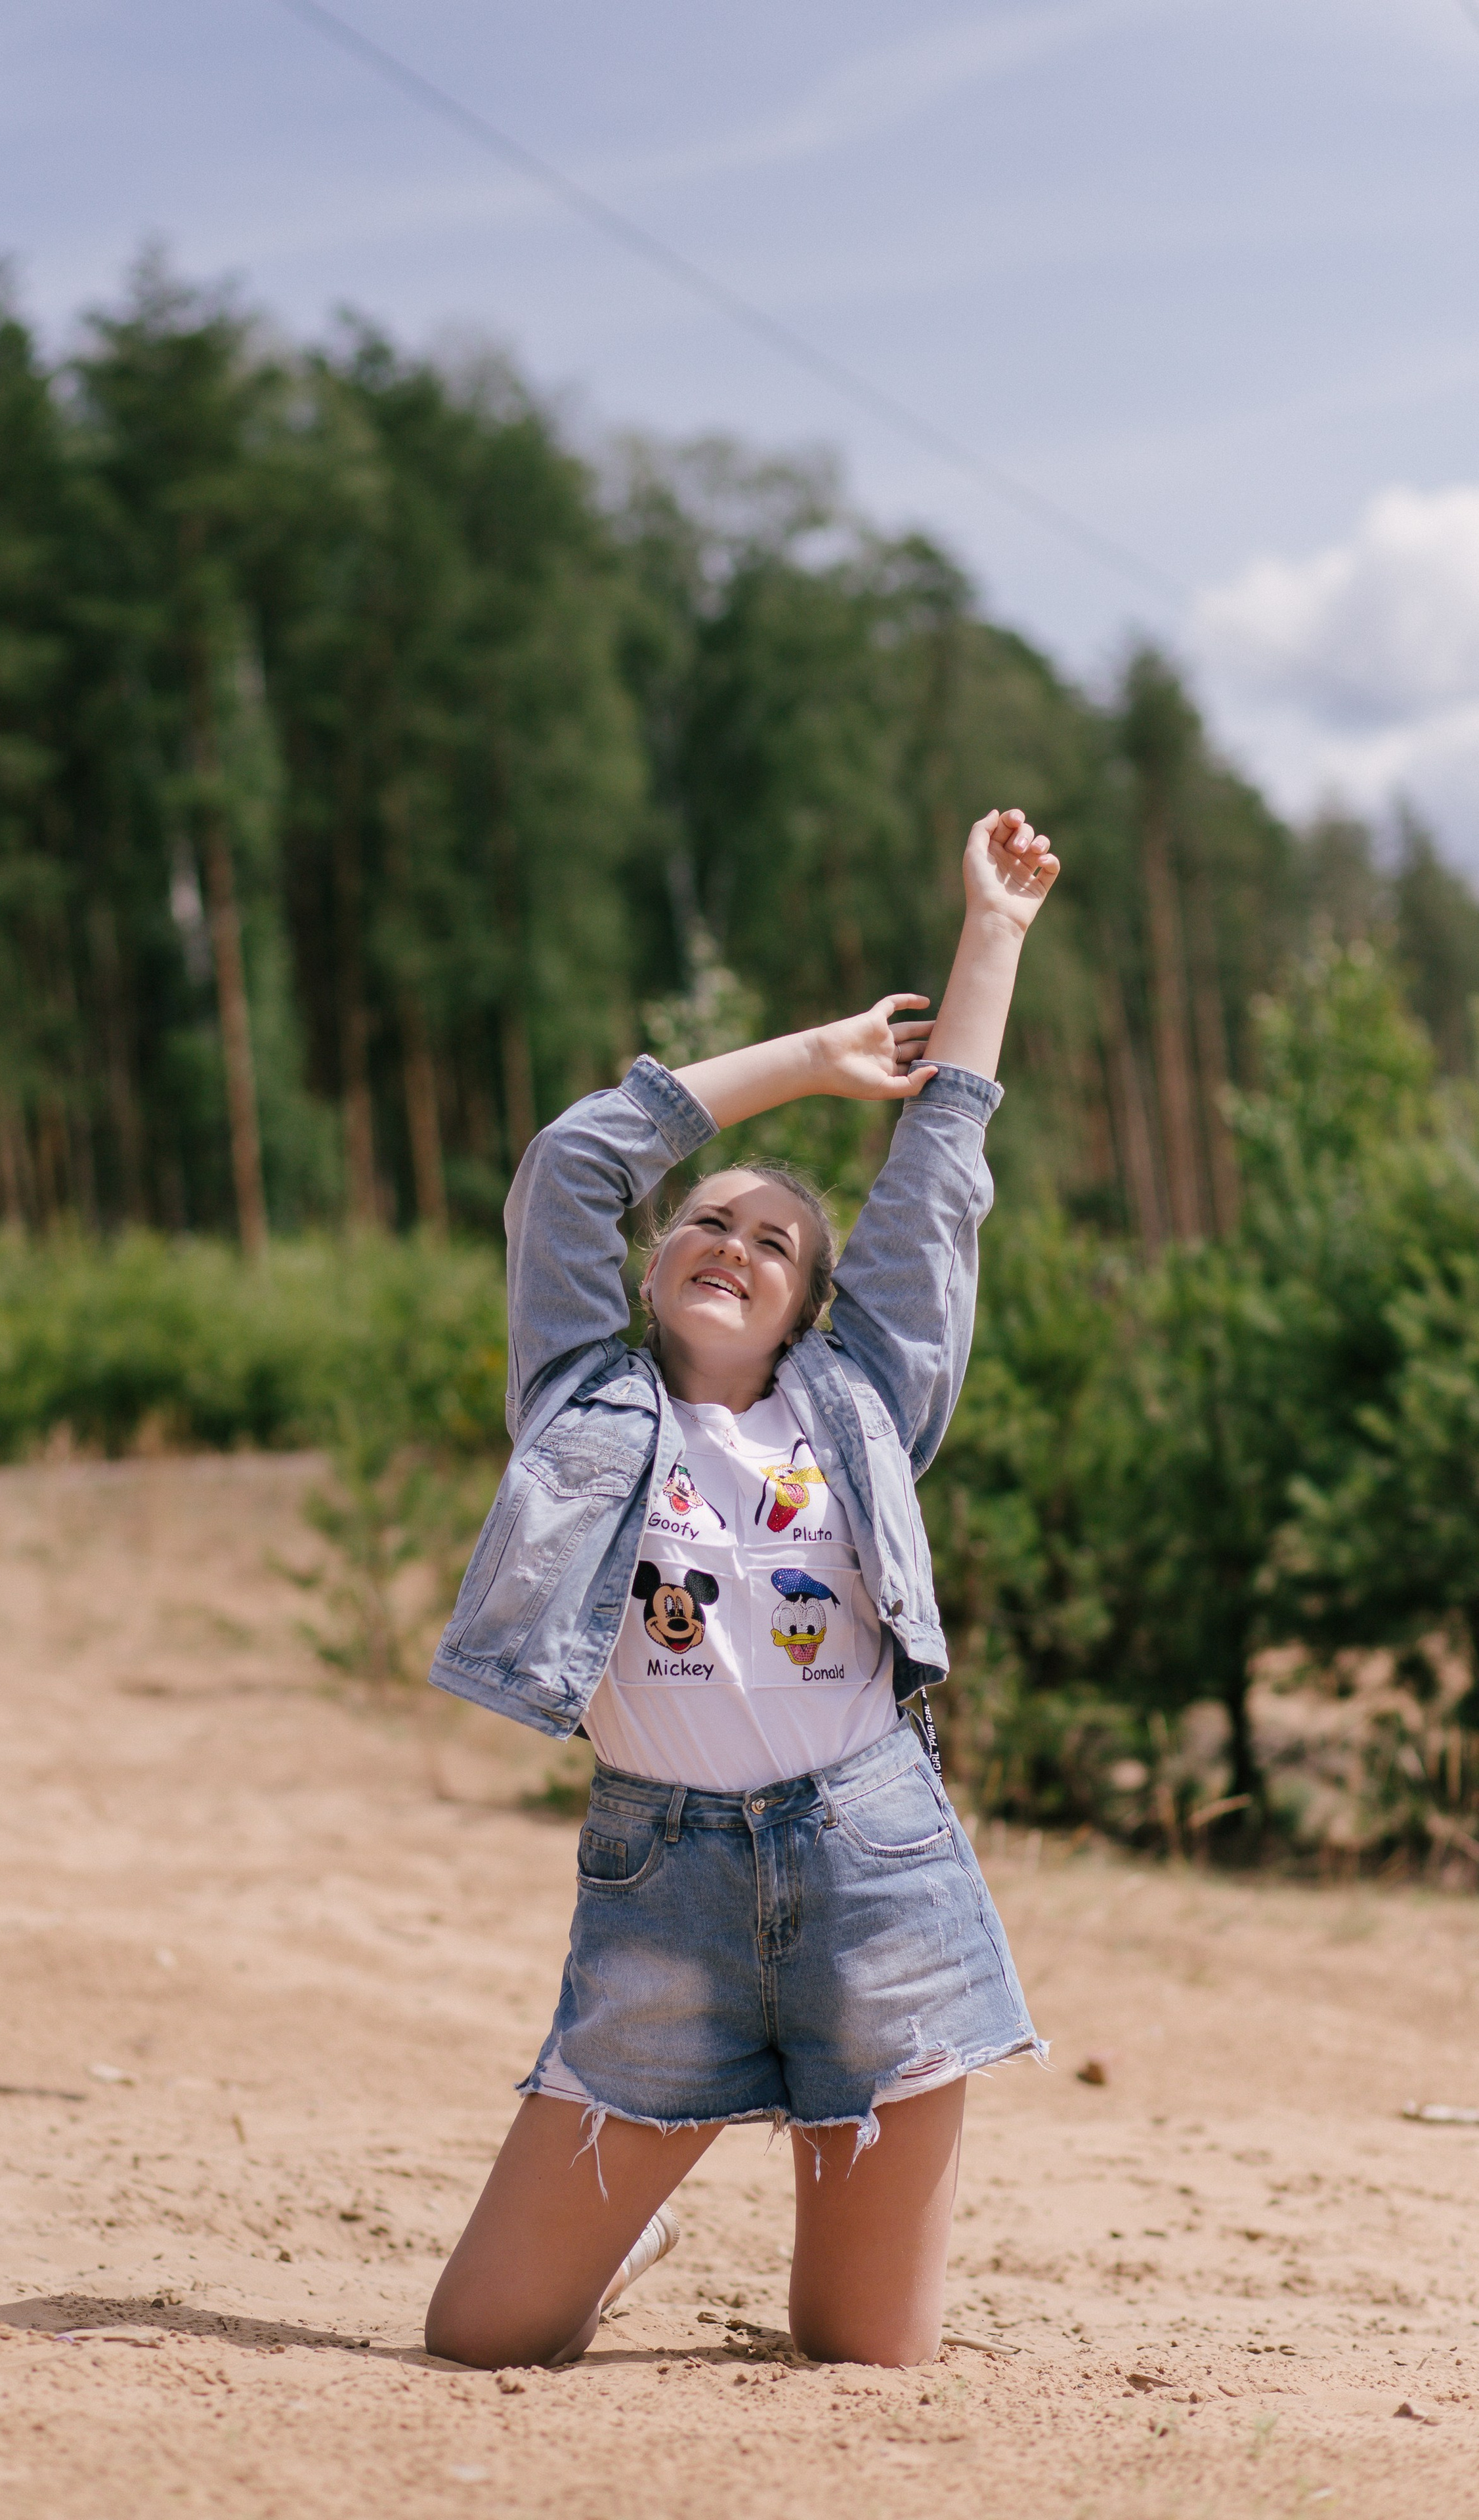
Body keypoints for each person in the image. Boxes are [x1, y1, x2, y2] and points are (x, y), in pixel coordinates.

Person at [423, 807, 1060, 2370]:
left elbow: (942, 1172)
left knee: (859, 2353)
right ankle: (621, 2222)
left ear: (811, 1300)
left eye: (773, 1239)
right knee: (486, 2336)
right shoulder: (579, 1396)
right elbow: (575, 1164)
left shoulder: (861, 1400)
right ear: (654, 1267)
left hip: (875, 1868)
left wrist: (993, 931)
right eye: (704, 1217)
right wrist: (809, 1057)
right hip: (665, 1893)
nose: (730, 1238)